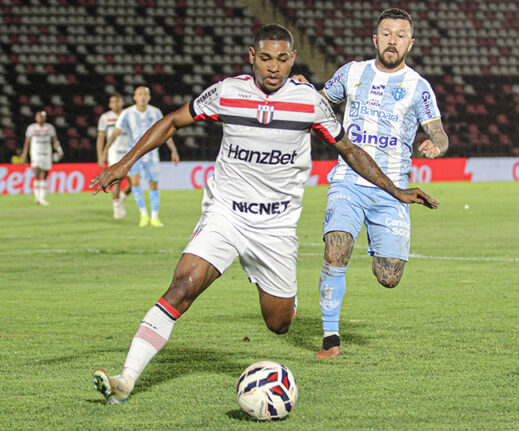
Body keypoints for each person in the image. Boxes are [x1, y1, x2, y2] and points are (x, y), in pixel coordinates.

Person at [89, 24, 438, 405]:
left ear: (292, 59)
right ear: (252, 57)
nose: (274, 67)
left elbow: (349, 150)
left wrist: (395, 190)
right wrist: (124, 163)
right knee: (183, 285)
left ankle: (282, 295)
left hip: (275, 227)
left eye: (282, 59)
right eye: (266, 58)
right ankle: (126, 379)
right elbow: (173, 120)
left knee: (279, 323)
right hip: (226, 215)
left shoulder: (309, 102)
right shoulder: (227, 93)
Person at [312, 8, 450, 358]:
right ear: (375, 39)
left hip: (392, 190)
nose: (393, 40)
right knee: (336, 250)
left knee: (389, 276)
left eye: (400, 35)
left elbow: (439, 132)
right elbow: (319, 102)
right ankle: (330, 338)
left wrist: (436, 145)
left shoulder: (418, 87)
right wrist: (300, 93)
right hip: (348, 180)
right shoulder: (352, 73)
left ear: (410, 44)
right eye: (387, 33)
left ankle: (373, 248)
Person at [107, 86, 181, 227]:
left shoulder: (155, 112)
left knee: (153, 184)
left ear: (149, 97)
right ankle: (143, 215)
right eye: (139, 94)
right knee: (135, 182)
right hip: (134, 154)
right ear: (135, 97)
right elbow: (115, 132)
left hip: (151, 154)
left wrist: (173, 150)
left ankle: (155, 217)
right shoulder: (127, 113)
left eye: (145, 94)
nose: (142, 97)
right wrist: (105, 150)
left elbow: (165, 132)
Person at [97, 94, 132, 219]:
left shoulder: (129, 115)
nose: (115, 104)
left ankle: (120, 200)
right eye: (113, 102)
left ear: (122, 103)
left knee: (134, 182)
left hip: (129, 151)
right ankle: (116, 209)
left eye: (118, 101)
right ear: (109, 104)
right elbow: (101, 137)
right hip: (114, 152)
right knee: (117, 180)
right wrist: (101, 155)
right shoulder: (105, 117)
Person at [21, 110, 62, 205]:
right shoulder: (31, 128)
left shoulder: (50, 128)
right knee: (36, 173)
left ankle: (41, 197)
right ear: (36, 118)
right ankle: (37, 197)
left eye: (43, 117)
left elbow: (54, 140)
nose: (41, 118)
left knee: (44, 174)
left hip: (47, 154)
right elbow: (27, 143)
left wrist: (59, 150)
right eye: (39, 116)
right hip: (36, 153)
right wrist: (24, 155)